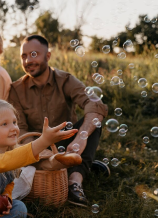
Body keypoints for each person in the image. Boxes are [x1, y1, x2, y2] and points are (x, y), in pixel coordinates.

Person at [8, 35, 109, 207]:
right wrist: (41, 151)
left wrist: (81, 137)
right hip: (37, 147)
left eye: (33, 54)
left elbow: (95, 105)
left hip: (69, 143)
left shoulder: (65, 80)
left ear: (47, 56)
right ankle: (81, 165)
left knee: (92, 122)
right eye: (23, 56)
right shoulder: (16, 90)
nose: (28, 60)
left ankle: (74, 181)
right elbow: (21, 130)